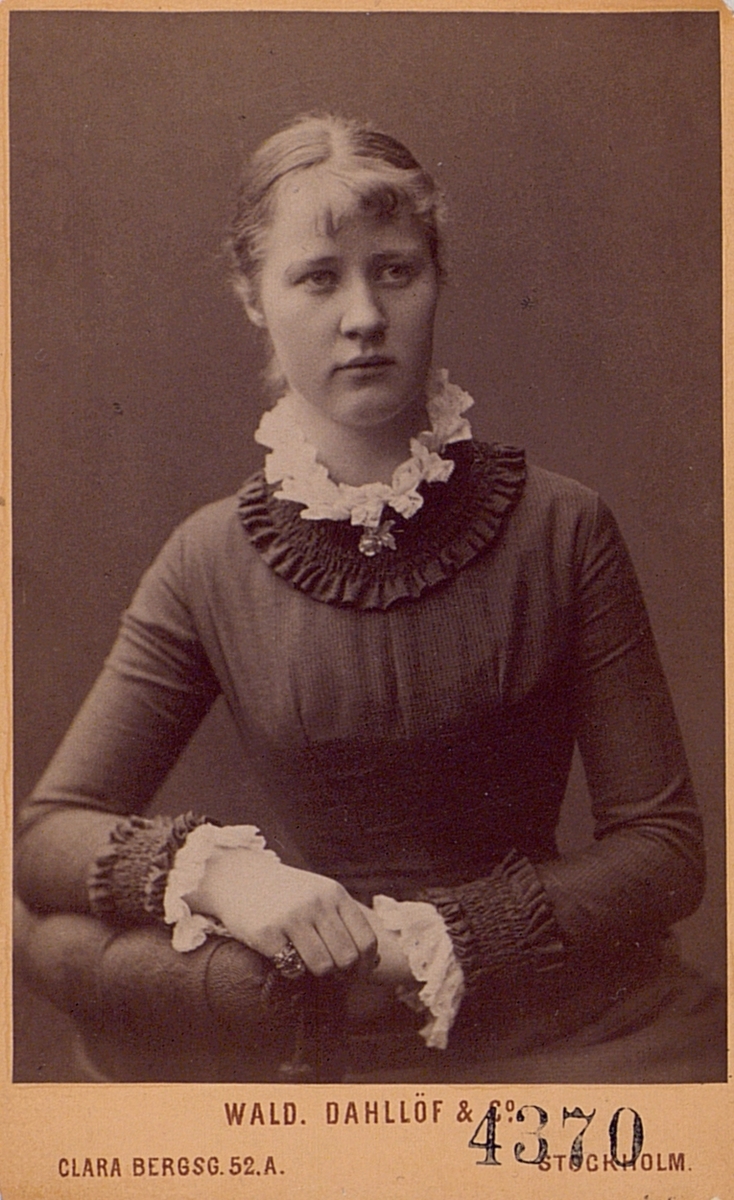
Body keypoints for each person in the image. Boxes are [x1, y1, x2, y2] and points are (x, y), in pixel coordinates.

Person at [14, 113, 724, 1084]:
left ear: (436, 277)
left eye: (395, 270)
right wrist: (227, 879)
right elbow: (49, 832)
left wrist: (423, 942)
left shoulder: (562, 528)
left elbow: (663, 850)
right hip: (314, 1027)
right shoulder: (209, 557)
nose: (363, 316)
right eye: (317, 277)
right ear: (253, 297)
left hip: (563, 1027)